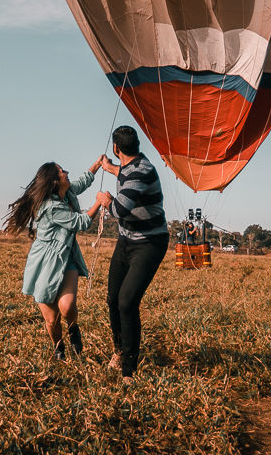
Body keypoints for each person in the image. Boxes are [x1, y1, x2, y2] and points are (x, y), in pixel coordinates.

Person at [6, 159, 112, 361]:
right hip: (45, 262)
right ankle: (59, 349)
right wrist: (99, 201)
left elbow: (82, 181)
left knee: (68, 305)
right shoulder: (51, 207)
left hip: (67, 255)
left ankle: (74, 331)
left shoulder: (68, 192)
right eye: (62, 171)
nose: (66, 172)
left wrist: (98, 165)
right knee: (52, 318)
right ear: (54, 181)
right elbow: (80, 222)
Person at [98, 125, 168, 378]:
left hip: (150, 242)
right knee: (112, 299)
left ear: (116, 148)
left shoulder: (141, 172)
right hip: (126, 240)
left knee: (127, 302)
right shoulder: (134, 165)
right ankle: (119, 350)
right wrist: (109, 168)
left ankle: (129, 370)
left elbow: (119, 210)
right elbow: (124, 171)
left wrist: (105, 201)